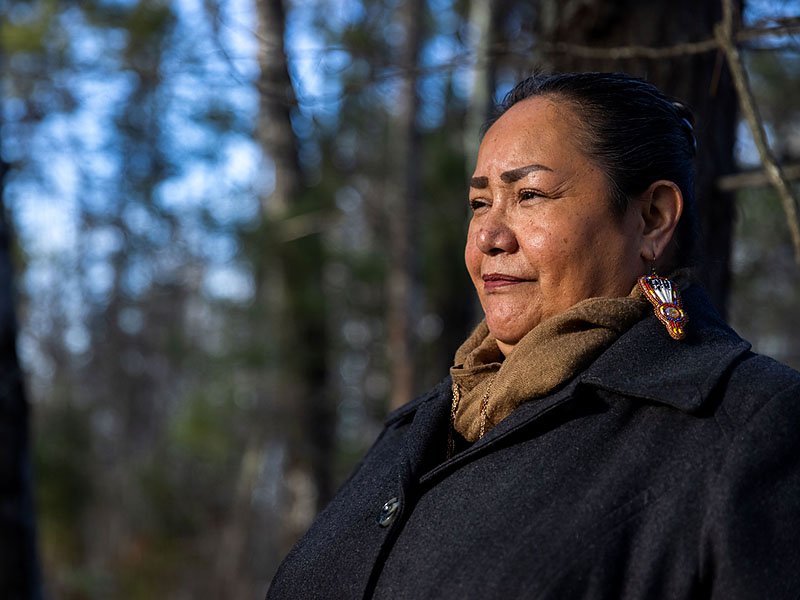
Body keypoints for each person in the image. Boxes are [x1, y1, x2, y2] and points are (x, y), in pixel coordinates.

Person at [266, 72, 800, 599]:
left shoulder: (750, 425)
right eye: (480, 203)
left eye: (530, 194)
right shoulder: (417, 429)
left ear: (653, 218)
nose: (490, 236)